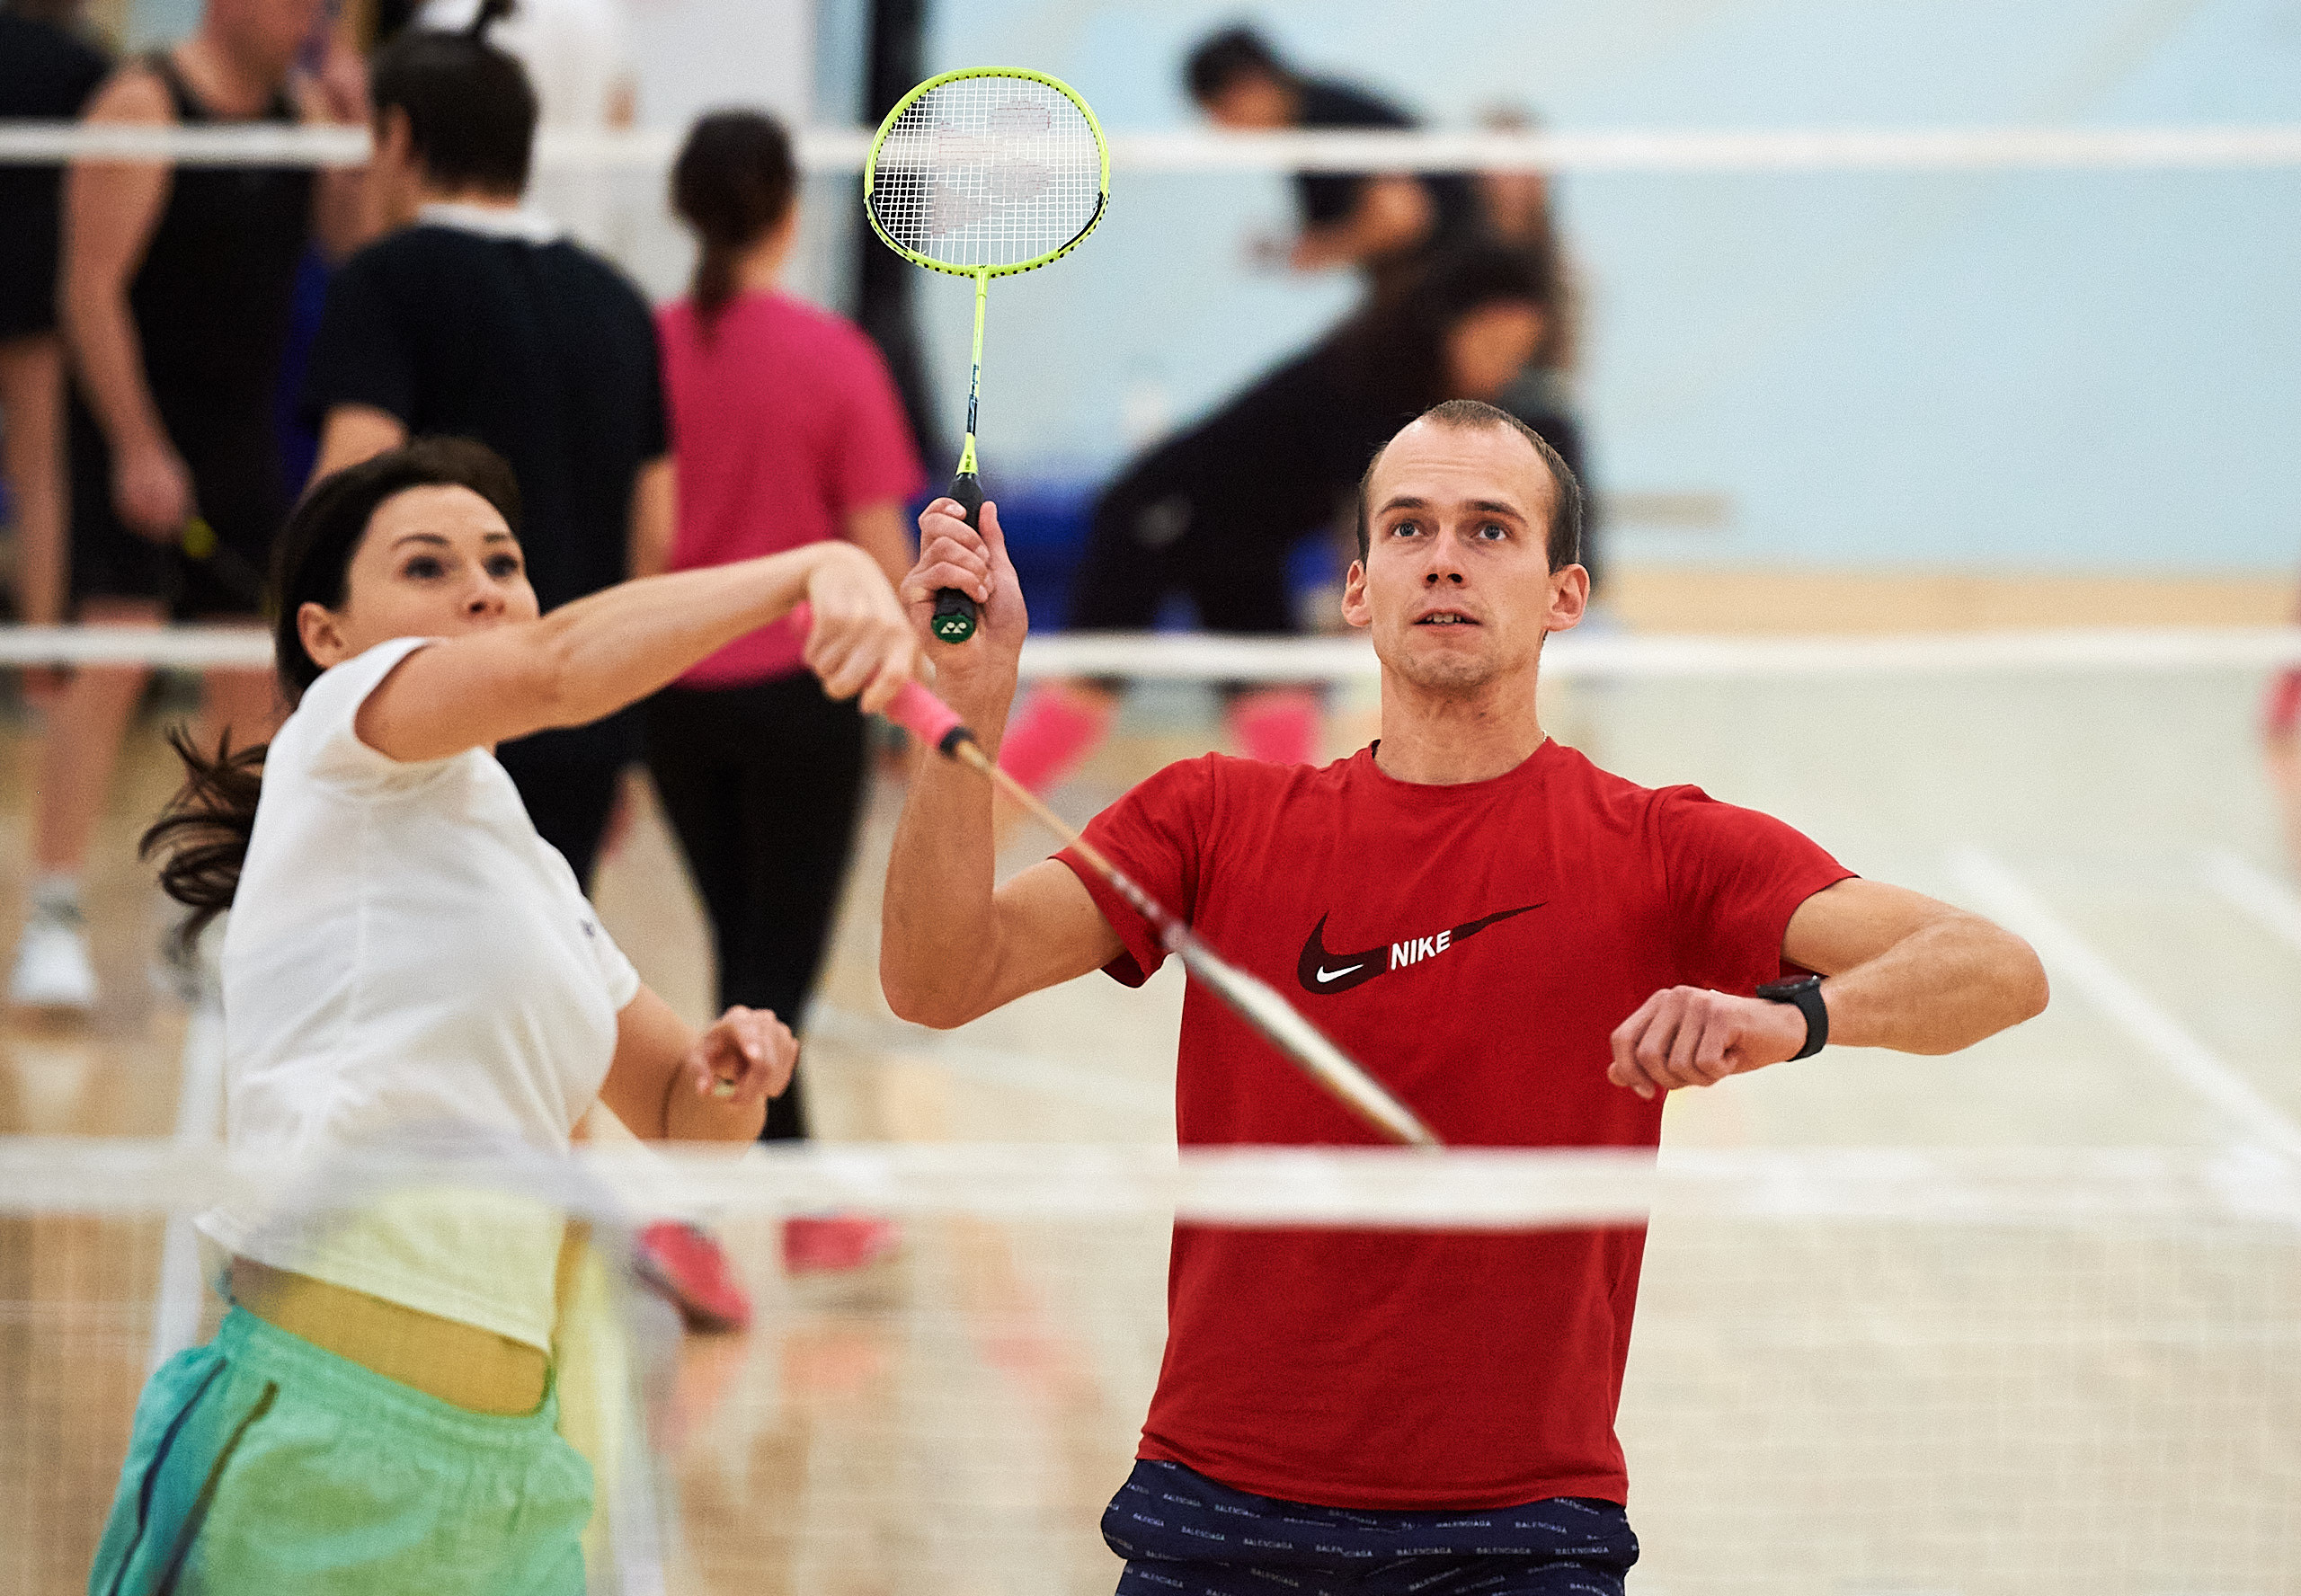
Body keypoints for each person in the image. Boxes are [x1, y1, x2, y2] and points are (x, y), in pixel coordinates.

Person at [880, 399, 2049, 1592]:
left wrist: (1796, 1017)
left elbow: (1998, 969)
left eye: (1490, 529)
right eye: (1409, 528)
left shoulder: (1662, 846)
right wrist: (965, 704)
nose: (1443, 555)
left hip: (1522, 1537)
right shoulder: (1210, 820)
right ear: (1355, 588)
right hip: (1215, 1513)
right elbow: (935, 979)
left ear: (1564, 595)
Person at [93, 436, 919, 1592]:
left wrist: (730, 1075)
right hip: (315, 1436)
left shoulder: (526, 869)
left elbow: (687, 1128)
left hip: (514, 1477)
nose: (483, 586)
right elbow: (555, 668)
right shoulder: (340, 734)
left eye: (503, 561)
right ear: (326, 634)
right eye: (428, 568)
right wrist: (811, 566)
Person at [10, 0, 368, 1012]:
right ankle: (55, 912)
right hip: (132, 428)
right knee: (111, 656)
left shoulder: (302, 110)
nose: (312, 16)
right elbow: (87, 291)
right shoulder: (143, 103)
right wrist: (134, 444)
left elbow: (349, 244)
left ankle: (210, 912)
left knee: (249, 678)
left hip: (240, 434)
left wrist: (349, 143)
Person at [641, 111, 923, 1276]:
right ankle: (697, 1209)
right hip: (804, 701)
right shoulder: (833, 359)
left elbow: (632, 544)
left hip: (668, 697)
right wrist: (912, 695)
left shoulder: (641, 347)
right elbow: (876, 553)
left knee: (749, 955)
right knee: (773, 966)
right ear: (787, 211)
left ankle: (802, 1208)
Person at [302, 0, 668, 890]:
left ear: (396, 134)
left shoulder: (387, 279)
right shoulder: (618, 302)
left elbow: (346, 491)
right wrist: (619, 736)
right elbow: (654, 539)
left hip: (431, 716)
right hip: (577, 712)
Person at [997, 243, 1569, 796]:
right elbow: (1366, 524)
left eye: (1518, 353)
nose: (1504, 368)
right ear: (1448, 327)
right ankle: (974, 837)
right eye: (1495, 344)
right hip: (1160, 516)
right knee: (1074, 711)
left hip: (1242, 547)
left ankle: (1296, 886)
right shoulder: (1373, 380)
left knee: (1285, 732)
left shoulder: (1410, 391)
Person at [1185, 23, 1474, 282]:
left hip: (1458, 274)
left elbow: (1403, 218)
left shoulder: (1327, 122)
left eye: (1219, 112)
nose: (1220, 129)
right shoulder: (1302, 128)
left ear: (1249, 87)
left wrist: (1320, 250)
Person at [0, 0, 107, 681]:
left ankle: (39, 663)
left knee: (40, 476)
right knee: (40, 478)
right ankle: (39, 672)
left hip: (39, 290)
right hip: (38, 285)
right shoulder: (85, 64)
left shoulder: (87, 63)